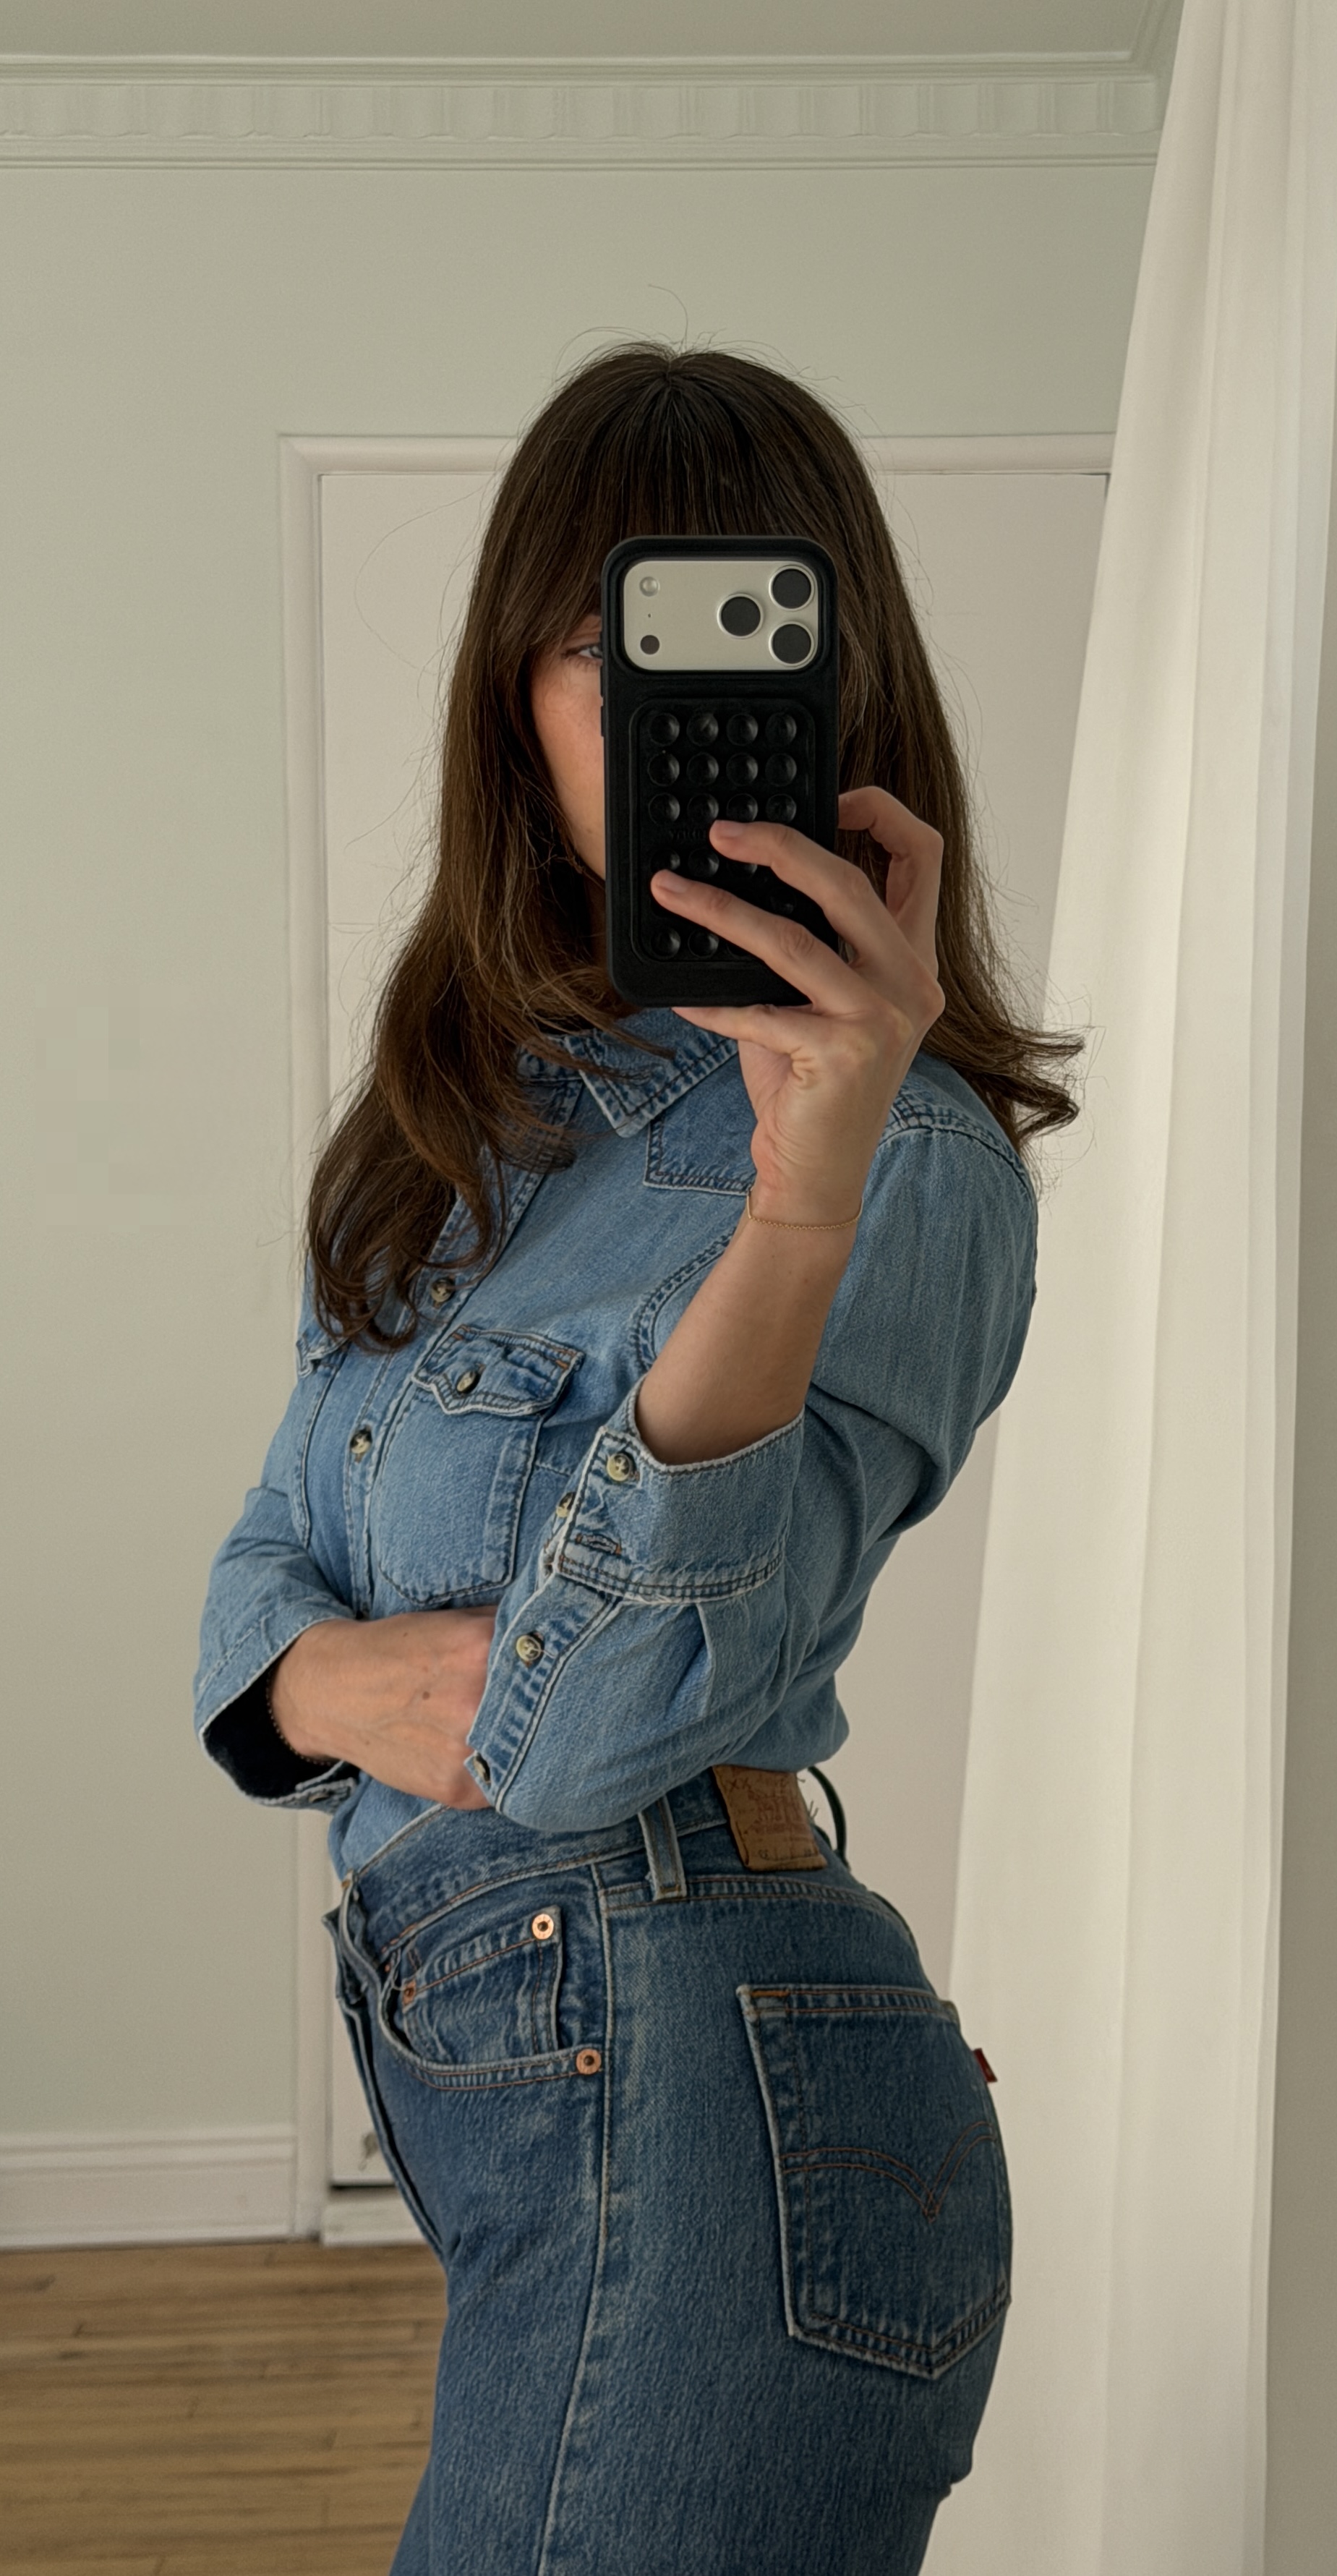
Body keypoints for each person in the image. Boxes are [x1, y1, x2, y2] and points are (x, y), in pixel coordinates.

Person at [193, 343, 1076, 2575]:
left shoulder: (923, 1161)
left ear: (833, 680)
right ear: (524, 694)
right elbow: (268, 1558)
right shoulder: (458, 1132)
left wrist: (801, 1194)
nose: (655, 706)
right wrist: (317, 1685)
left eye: (725, 635)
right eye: (605, 642)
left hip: (706, 2100)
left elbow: (584, 1726)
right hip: (556, 2113)